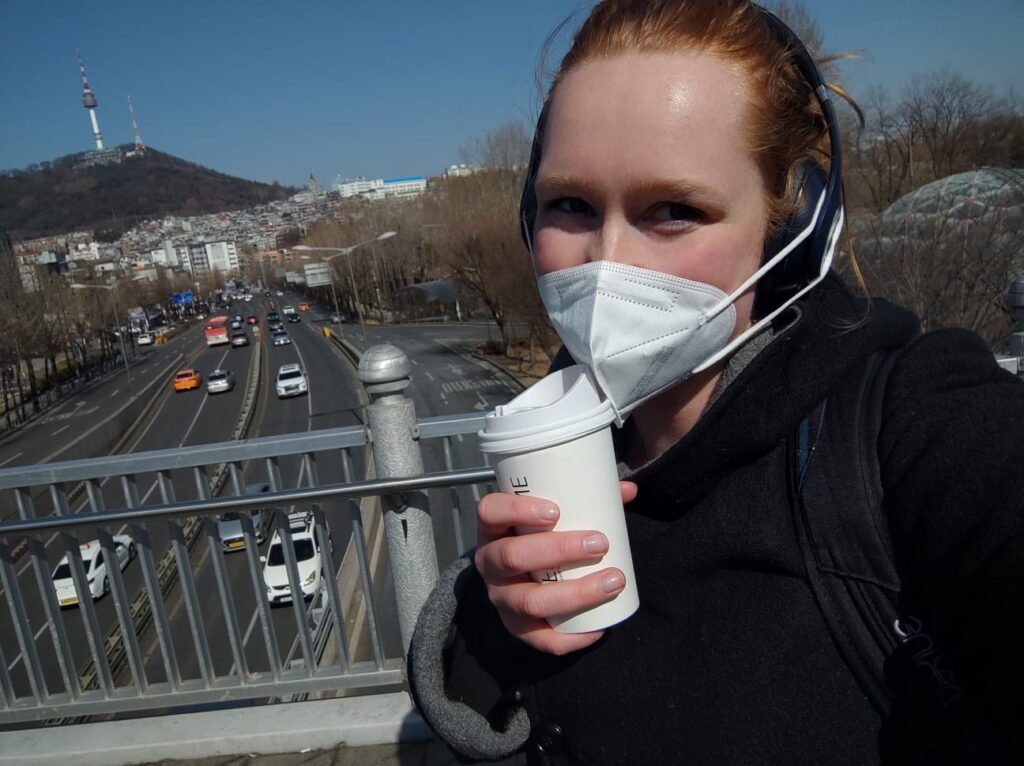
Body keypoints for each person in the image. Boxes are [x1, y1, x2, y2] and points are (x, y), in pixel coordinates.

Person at [408, 1, 1024, 763]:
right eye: (570, 204)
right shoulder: (569, 433)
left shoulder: (909, 425)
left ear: (791, 234)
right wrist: (498, 627)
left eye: (674, 209)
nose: (608, 262)